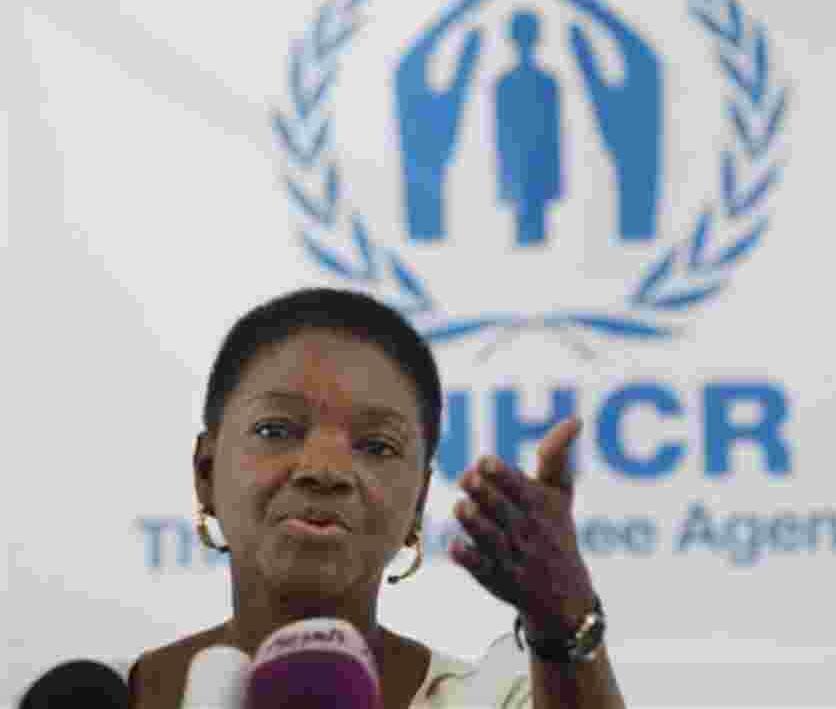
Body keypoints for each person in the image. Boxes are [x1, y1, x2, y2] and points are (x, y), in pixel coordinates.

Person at [120, 288, 627, 708]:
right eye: (276, 430)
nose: (324, 470)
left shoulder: (495, 700)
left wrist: (564, 625)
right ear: (206, 472)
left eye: (376, 445)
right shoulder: (103, 697)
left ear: (419, 501)